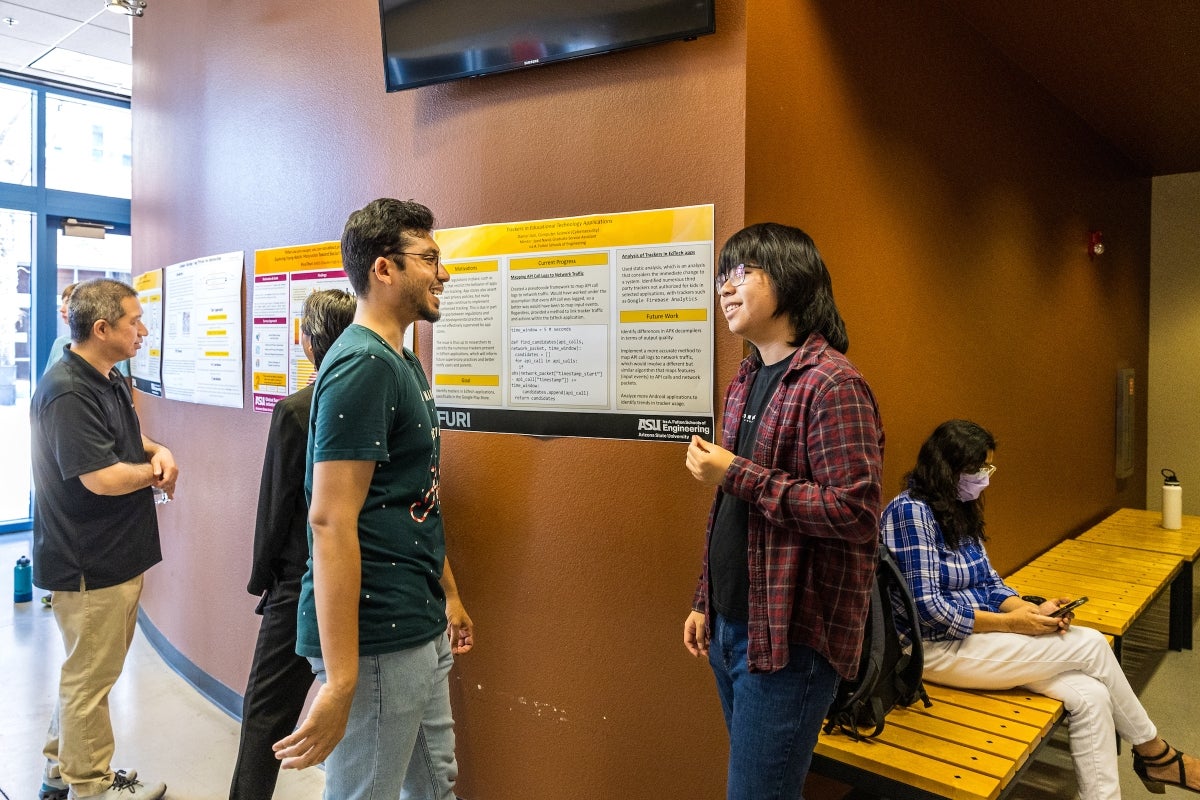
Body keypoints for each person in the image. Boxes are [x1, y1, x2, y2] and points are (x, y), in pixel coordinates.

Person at [273, 198, 475, 800]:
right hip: (378, 635)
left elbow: (411, 500)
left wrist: (450, 594)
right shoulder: (363, 365)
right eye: (430, 259)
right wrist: (340, 681)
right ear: (384, 269)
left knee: (435, 785)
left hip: (416, 620)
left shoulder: (400, 359)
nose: (444, 273)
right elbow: (331, 520)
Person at [881, 419, 1200, 800]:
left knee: (1092, 696)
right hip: (933, 649)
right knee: (1092, 644)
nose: (984, 478)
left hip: (977, 639)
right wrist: (1013, 623)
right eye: (978, 469)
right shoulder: (910, 512)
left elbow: (989, 583)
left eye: (988, 468)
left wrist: (1031, 610)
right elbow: (927, 608)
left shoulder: (958, 505)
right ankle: (1155, 752)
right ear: (947, 469)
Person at [682, 222, 885, 800]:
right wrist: (706, 600)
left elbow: (854, 511)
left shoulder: (832, 384)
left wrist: (734, 473)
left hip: (788, 638)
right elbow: (733, 509)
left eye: (742, 272)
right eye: (722, 275)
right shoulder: (746, 376)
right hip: (731, 624)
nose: (724, 287)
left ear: (791, 279)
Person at [31, 278, 177, 800]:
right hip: (87, 560)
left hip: (114, 553)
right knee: (89, 681)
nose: (142, 330)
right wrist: (153, 474)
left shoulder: (107, 377)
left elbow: (124, 440)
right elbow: (102, 476)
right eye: (133, 321)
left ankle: (59, 770)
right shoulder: (67, 390)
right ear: (101, 329)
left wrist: (156, 449)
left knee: (85, 673)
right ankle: (90, 787)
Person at [228, 288, 357, 800]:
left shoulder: (298, 409)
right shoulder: (380, 402)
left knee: (265, 712)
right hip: (365, 577)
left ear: (307, 343)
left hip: (301, 583)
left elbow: (275, 507)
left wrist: (263, 578)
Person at [44, 282, 130, 379]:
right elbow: (48, 378)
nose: (61, 309)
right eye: (62, 302)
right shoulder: (59, 343)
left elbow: (124, 385)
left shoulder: (111, 344)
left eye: (68, 302)